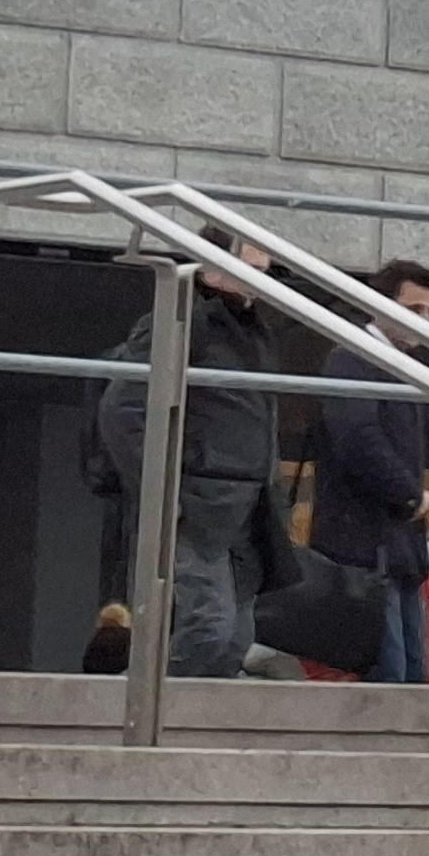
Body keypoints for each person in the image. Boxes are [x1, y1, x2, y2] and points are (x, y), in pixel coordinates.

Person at [83, 247, 285, 682]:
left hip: (243, 500)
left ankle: (164, 706)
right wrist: (160, 490)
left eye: (264, 271)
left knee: (234, 638)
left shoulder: (247, 328)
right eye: (250, 269)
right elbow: (121, 409)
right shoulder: (183, 321)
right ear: (211, 269)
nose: (261, 280)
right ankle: (133, 701)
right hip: (198, 499)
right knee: (210, 627)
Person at [312, 261, 429, 686]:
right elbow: (357, 439)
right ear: (379, 304)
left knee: (412, 673)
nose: (424, 321)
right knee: (389, 672)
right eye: (413, 309)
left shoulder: (394, 365)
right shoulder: (352, 359)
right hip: (368, 549)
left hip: (398, 549)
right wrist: (410, 495)